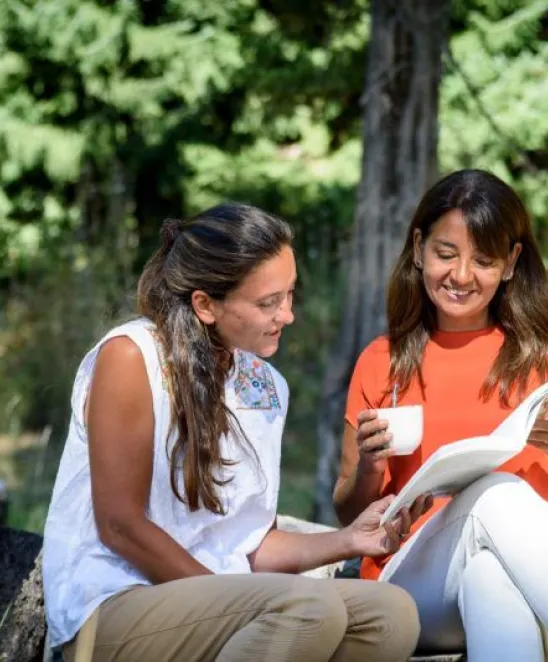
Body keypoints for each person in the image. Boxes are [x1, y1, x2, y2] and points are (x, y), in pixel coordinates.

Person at [42, 202, 428, 662]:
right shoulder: (131, 357)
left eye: (290, 295)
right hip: (113, 605)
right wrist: (235, 598)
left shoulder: (264, 386)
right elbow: (120, 525)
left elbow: (250, 542)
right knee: (306, 608)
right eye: (268, 303)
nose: (287, 316)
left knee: (392, 614)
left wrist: (349, 540)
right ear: (205, 304)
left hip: (220, 599)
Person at [334, 169, 548, 662]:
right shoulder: (381, 360)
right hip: (422, 581)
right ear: (417, 248)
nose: (461, 276)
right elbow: (347, 511)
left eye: (484, 260)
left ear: (512, 263)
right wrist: (370, 466)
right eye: (445, 254)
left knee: (491, 577)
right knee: (498, 493)